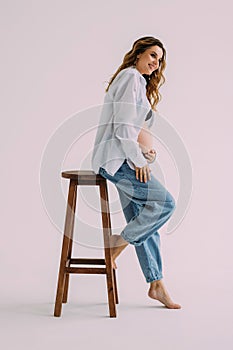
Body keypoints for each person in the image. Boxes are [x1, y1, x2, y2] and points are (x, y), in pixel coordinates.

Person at [91, 36, 181, 309]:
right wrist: (138, 162)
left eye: (160, 59)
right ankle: (116, 247)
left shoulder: (134, 82)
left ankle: (156, 284)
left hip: (124, 159)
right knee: (165, 204)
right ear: (138, 53)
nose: (156, 63)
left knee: (144, 220)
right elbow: (122, 129)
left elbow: (133, 129)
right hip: (117, 162)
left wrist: (144, 155)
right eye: (153, 55)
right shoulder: (131, 77)